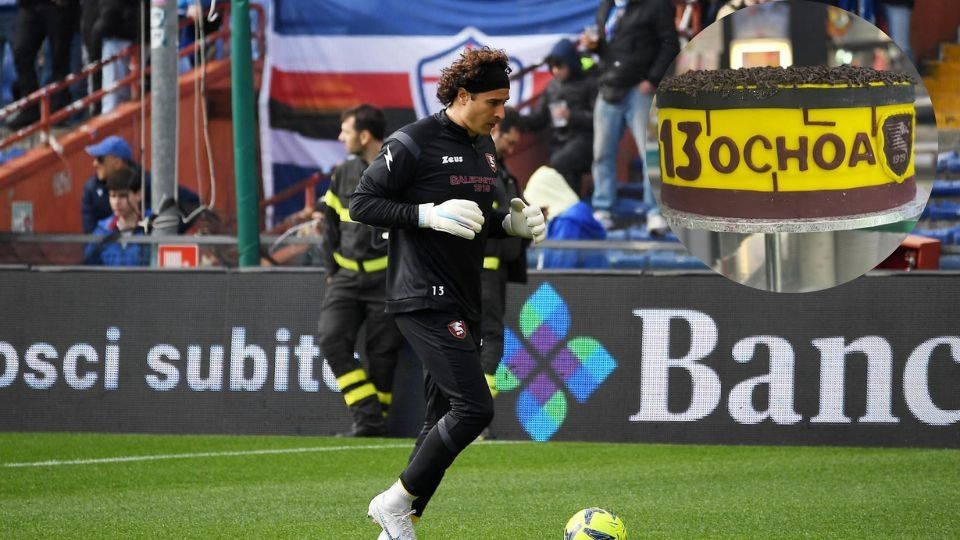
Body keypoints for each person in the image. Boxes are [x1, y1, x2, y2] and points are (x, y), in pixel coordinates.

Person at [349, 47, 546, 539]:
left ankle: (397, 526)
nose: (501, 112)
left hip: (463, 296)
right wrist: (425, 214)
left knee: (439, 417)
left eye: (506, 100)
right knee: (475, 408)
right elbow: (362, 203)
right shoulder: (412, 141)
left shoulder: (485, 148)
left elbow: (477, 220)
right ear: (462, 95)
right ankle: (392, 504)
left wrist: (509, 223)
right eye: (494, 101)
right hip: (421, 294)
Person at [317, 104, 403, 437]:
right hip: (346, 278)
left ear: (364, 135)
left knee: (382, 355)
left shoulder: (398, 170)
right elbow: (329, 226)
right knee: (331, 339)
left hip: (386, 278)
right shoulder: (342, 173)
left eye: (346, 131)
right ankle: (370, 417)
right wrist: (331, 269)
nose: (341, 137)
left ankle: (371, 427)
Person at [581, 0, 679, 230]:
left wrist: (652, 79)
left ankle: (655, 211)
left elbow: (670, 44)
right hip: (609, 87)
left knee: (651, 154)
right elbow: (607, 45)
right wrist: (594, 48)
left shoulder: (656, 6)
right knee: (602, 154)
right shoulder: (607, 7)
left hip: (639, 89)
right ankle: (604, 208)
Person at [481, 106, 527, 405]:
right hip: (482, 270)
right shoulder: (483, 170)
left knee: (483, 338)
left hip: (493, 271)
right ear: (495, 131)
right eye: (509, 142)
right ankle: (474, 411)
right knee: (489, 337)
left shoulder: (502, 172)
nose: (511, 149)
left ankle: (469, 410)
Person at [521, 38, 597, 195]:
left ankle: (573, 207)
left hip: (585, 140)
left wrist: (571, 116)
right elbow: (539, 118)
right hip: (560, 141)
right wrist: (518, 121)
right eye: (552, 66)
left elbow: (598, 119)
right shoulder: (551, 86)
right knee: (561, 166)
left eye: (560, 66)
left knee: (560, 161)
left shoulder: (589, 83)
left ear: (571, 63)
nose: (556, 71)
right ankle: (572, 207)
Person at [81, 135, 200, 234]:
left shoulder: (148, 183)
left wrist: (166, 232)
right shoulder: (91, 188)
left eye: (100, 159)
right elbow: (90, 235)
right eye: (113, 195)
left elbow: (192, 204)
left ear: (117, 163)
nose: (94, 164)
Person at [6, 0, 81, 129]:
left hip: (59, 7)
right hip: (30, 5)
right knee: (21, 52)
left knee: (60, 60)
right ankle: (30, 108)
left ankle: (58, 111)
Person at [523, 165, 608, 269]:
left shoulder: (567, 223)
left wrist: (538, 286)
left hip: (579, 284)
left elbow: (559, 276)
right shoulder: (572, 214)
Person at [83, 165, 150, 266]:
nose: (116, 202)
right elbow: (89, 266)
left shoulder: (153, 227)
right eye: (112, 196)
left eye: (122, 195)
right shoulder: (102, 231)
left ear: (138, 195)